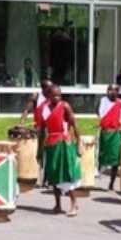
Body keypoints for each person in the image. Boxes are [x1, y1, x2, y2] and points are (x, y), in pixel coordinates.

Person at [41, 86, 82, 216]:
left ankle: (74, 203)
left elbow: (74, 124)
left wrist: (79, 142)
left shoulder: (65, 106)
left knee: (66, 174)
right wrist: (40, 147)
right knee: (54, 175)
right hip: (51, 144)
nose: (57, 98)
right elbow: (42, 129)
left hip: (63, 143)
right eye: (54, 95)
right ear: (48, 96)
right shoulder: (45, 109)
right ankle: (58, 204)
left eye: (59, 95)